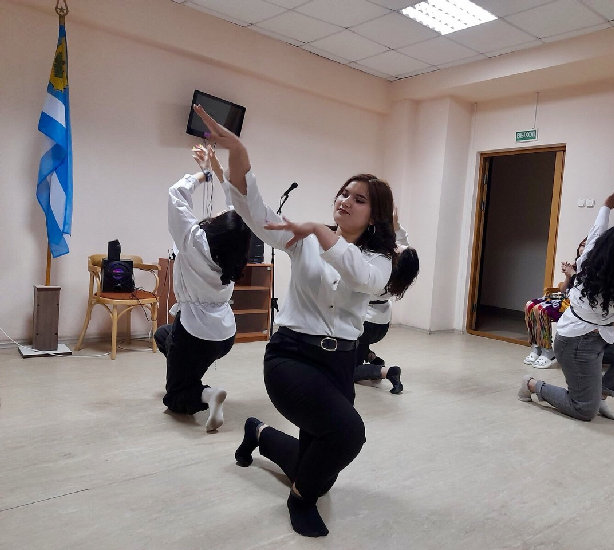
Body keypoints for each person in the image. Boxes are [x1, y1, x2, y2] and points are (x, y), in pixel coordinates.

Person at [191, 105, 413, 537]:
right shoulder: (303, 238)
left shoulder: (380, 259)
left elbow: (363, 278)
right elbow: (256, 213)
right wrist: (239, 153)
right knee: (347, 435)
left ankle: (258, 434)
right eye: (344, 193)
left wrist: (319, 231)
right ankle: (299, 499)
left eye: (359, 199)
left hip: (340, 364)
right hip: (291, 358)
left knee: (318, 466)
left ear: (375, 216)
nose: (345, 201)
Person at [518, 190, 614, 421]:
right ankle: (531, 384)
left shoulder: (587, 262)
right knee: (583, 410)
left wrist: (606, 208)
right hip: (575, 343)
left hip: (598, 336)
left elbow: (596, 233)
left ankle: (599, 396)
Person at [154, 144, 251, 433]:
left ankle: (207, 394)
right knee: (163, 335)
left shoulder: (193, 241)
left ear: (218, 227)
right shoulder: (234, 248)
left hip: (194, 334)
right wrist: (214, 169)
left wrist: (201, 176)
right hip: (224, 334)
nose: (220, 211)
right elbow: (237, 202)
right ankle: (190, 377)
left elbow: (176, 193)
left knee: (175, 399)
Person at [353, 209, 419, 394]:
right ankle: (371, 357)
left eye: (397, 248)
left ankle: (388, 372)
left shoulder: (381, 272)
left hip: (366, 324)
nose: (395, 245)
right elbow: (403, 243)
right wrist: (395, 224)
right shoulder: (400, 274)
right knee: (356, 345)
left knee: (346, 369)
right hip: (381, 325)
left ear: (395, 261)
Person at [523, 238, 586, 368]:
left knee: (542, 309)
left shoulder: (594, 268)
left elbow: (583, 291)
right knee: (530, 305)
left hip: (576, 303)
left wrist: (574, 275)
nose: (582, 248)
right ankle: (536, 346)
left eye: (586, 245)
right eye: (582, 245)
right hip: (564, 297)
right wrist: (568, 276)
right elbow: (563, 290)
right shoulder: (575, 265)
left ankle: (548, 351)